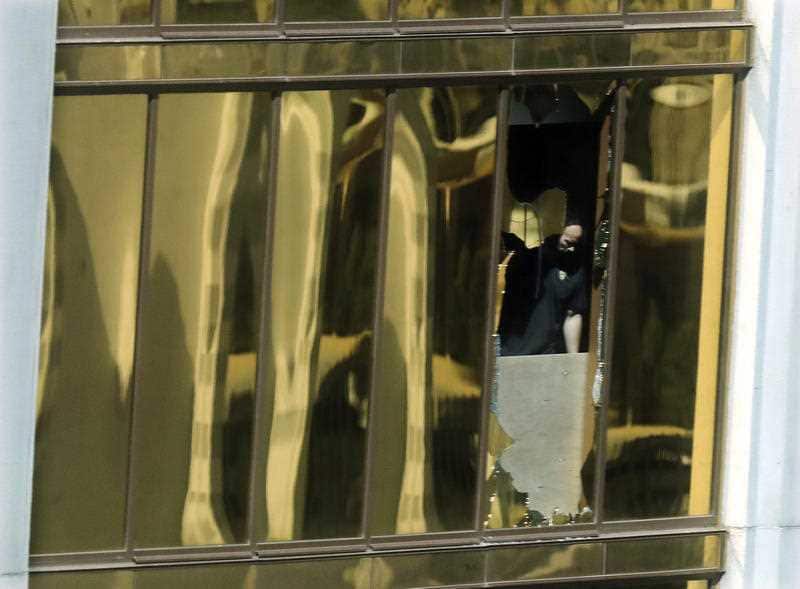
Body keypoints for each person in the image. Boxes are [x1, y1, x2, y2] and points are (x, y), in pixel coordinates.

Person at [498, 223, 587, 356]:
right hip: (510, 351)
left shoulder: (575, 271)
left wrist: (573, 359)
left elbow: (573, 314)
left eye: (576, 244)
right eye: (567, 242)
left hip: (546, 353)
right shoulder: (526, 259)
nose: (571, 249)